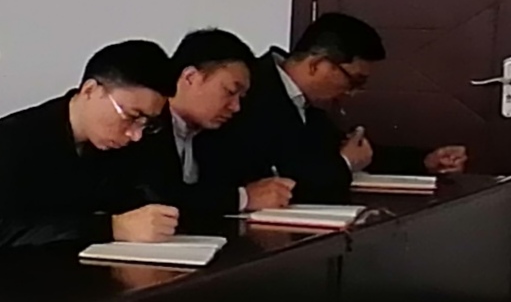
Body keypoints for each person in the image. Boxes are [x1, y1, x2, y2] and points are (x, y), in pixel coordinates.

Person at [199, 12, 469, 201]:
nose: (353, 92)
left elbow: (346, 149)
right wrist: (345, 163)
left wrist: (424, 160)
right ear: (317, 64)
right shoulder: (252, 91)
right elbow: (283, 177)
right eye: (353, 80)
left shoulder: (304, 99)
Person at [0, 40, 179, 249]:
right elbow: (1, 229)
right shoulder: (12, 138)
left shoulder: (131, 146)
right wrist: (112, 227)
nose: (135, 134)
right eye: (131, 116)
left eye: (148, 124)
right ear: (90, 90)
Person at [136, 28, 298, 226]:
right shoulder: (142, 124)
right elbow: (157, 199)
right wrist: (243, 198)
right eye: (230, 91)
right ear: (190, 77)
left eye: (241, 97)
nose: (236, 107)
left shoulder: (219, 133)